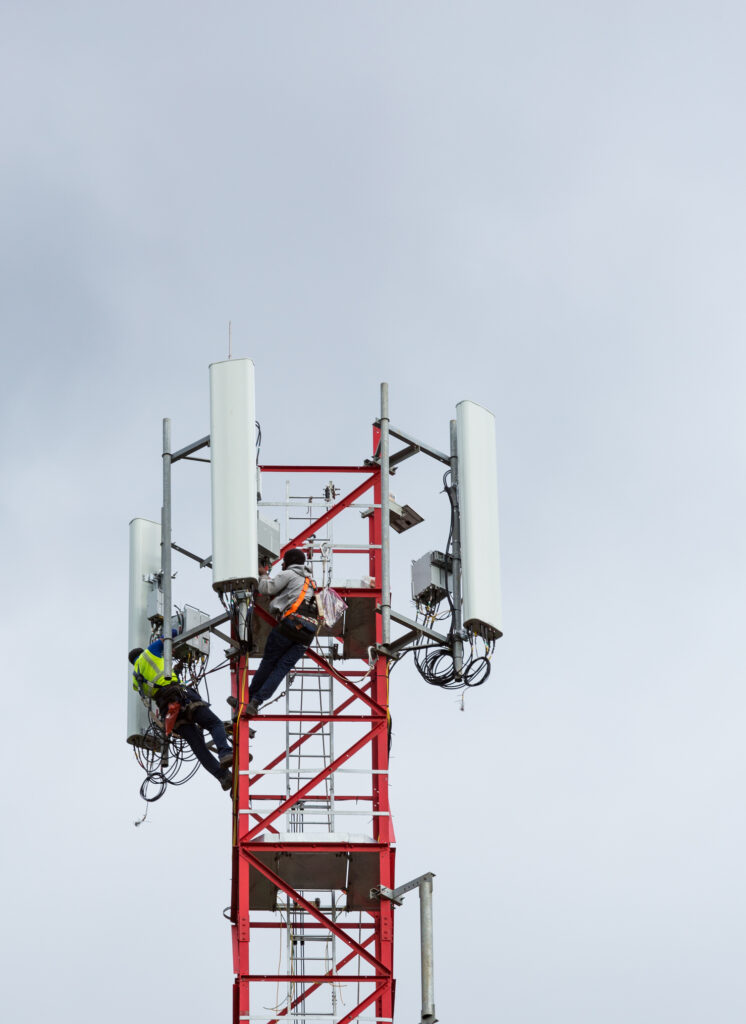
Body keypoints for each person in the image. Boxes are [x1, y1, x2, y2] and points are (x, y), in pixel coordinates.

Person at [129, 636, 234, 791]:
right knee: (214, 723)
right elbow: (170, 632)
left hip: (171, 714)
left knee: (198, 746)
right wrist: (168, 641)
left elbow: (159, 683)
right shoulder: (149, 653)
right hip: (182, 698)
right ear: (142, 652)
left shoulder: (135, 681)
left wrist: (176, 670)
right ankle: (225, 754)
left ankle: (222, 776)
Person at [245, 548, 318, 716]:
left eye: (284, 562)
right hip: (308, 633)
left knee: (269, 663)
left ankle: (247, 698)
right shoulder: (310, 582)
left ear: (289, 562)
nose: (282, 565)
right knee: (282, 668)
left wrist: (263, 574)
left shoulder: (289, 574)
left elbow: (266, 588)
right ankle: (255, 703)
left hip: (291, 624)